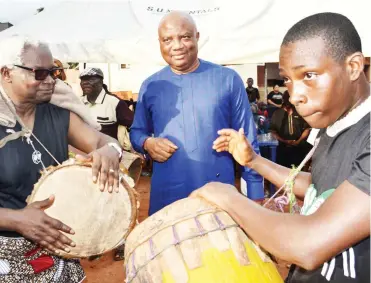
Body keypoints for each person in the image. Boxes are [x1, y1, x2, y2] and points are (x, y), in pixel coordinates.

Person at [192, 12, 370, 283]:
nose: (294, 94)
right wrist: (253, 161)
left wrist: (228, 198)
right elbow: (322, 186)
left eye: (309, 75)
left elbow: (309, 245)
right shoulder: (334, 123)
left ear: (354, 67)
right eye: (288, 79)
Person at [0, 39, 124, 282]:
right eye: (40, 73)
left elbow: (104, 143)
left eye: (53, 72)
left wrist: (111, 150)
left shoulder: (58, 114)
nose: (50, 80)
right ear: (6, 73)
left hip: (59, 249)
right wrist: (15, 219)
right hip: (6, 257)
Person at [130, 11, 263, 215]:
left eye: (184, 37)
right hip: (167, 199)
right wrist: (148, 143)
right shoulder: (150, 86)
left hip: (218, 196)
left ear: (197, 37)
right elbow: (137, 131)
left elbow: (249, 143)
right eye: (168, 39)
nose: (177, 46)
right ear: (159, 42)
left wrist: (256, 196)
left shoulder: (227, 79)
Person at [80, 67, 134, 140]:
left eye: (91, 79)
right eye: (82, 79)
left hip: (108, 149)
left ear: (101, 82)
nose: (85, 82)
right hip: (82, 149)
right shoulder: (78, 102)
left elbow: (134, 124)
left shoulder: (115, 102)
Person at [270, 90, 312, 168]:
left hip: (299, 147)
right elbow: (273, 132)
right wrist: (284, 141)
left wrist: (298, 141)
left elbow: (307, 129)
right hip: (282, 147)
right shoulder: (277, 114)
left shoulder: (300, 112)